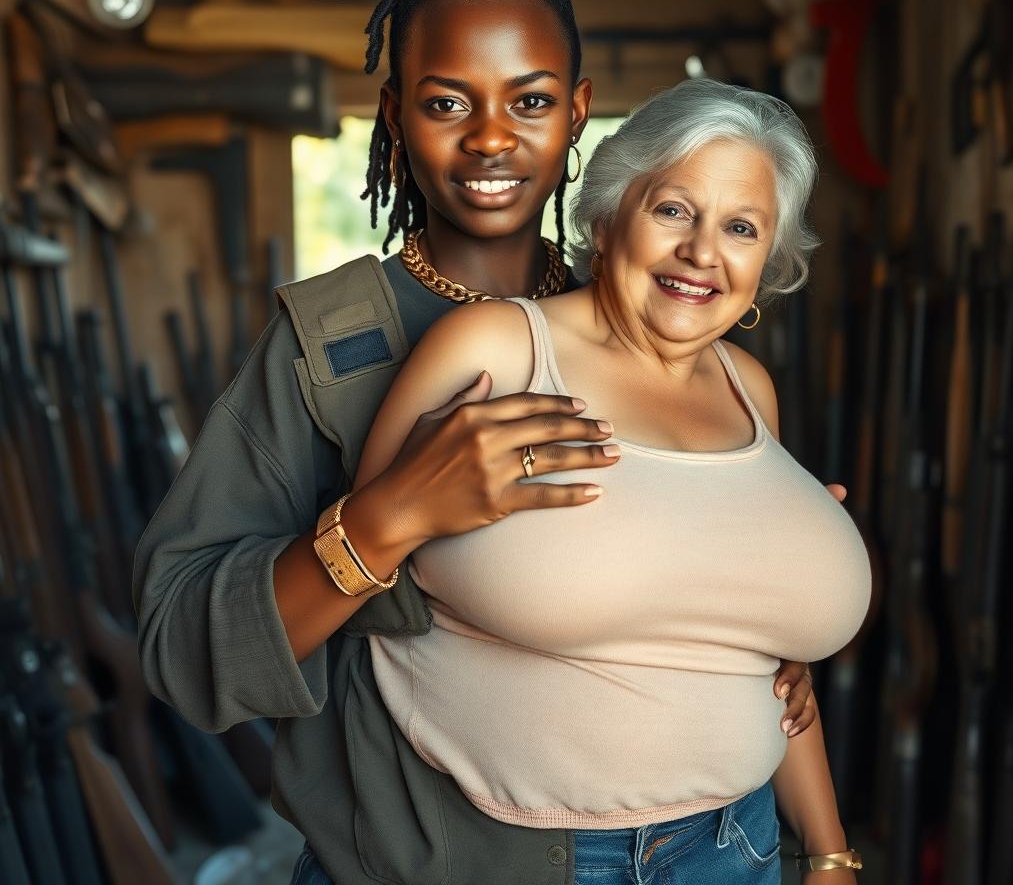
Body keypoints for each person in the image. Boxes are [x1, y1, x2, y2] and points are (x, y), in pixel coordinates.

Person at [133, 0, 827, 885]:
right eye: (447, 100)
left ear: (579, 110)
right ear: (395, 113)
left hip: (715, 845)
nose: (490, 139)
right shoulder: (329, 345)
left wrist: (759, 592)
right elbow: (175, 643)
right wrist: (384, 520)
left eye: (531, 100)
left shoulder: (651, 318)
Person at [352, 77, 871, 884]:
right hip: (517, 858)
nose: (702, 252)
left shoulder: (749, 388)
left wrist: (830, 848)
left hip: (736, 847)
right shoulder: (494, 349)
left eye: (741, 227)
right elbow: (357, 566)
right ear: (607, 213)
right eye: (673, 210)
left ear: (766, 262)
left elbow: (767, 670)